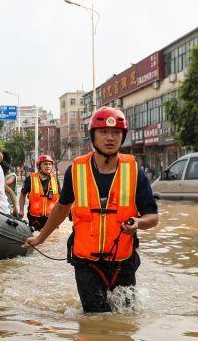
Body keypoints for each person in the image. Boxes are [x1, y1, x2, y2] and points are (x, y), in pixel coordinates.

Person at [24, 107, 159, 313]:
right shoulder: (76, 170)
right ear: (93, 136)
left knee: (126, 322)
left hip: (123, 263)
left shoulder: (134, 171)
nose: (110, 138)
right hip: (86, 263)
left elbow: (153, 217)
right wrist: (40, 238)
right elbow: (61, 208)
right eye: (103, 132)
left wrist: (138, 223)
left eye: (115, 133)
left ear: (122, 137)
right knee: (95, 320)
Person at [19, 154, 60, 231]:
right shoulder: (30, 179)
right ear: (39, 166)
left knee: (53, 239)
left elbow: (61, 198)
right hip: (35, 218)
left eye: (50, 164)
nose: (48, 166)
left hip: (52, 218)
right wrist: (21, 210)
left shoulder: (55, 180)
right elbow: (22, 194)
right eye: (45, 164)